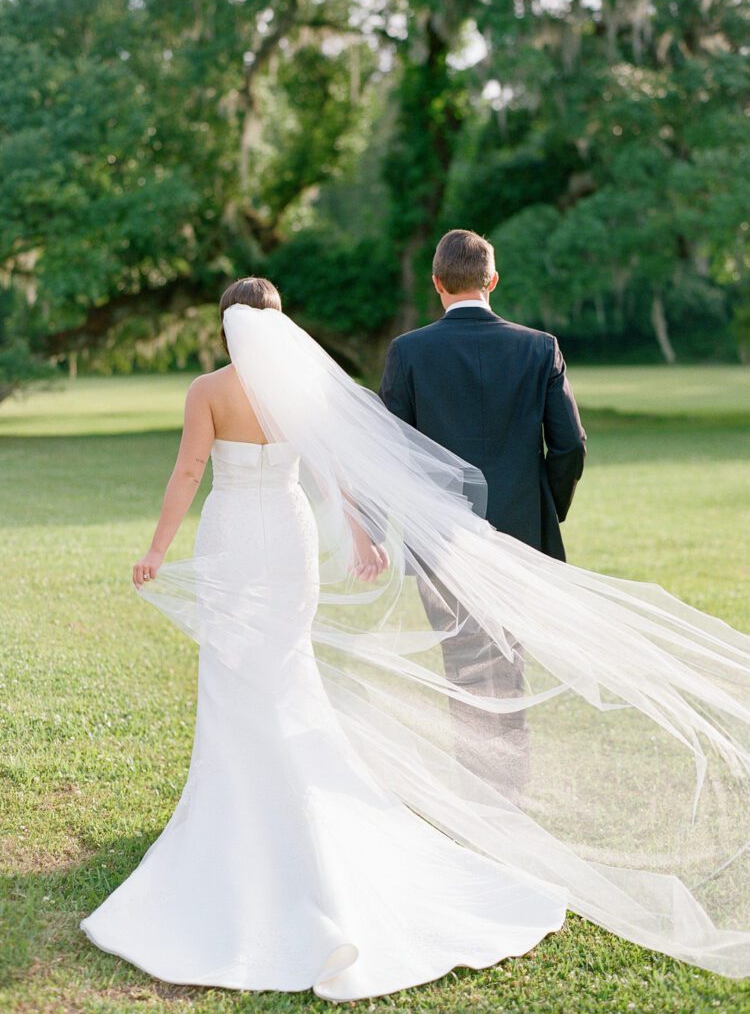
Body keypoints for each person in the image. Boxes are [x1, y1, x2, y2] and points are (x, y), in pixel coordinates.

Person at [79, 275, 750, 1000]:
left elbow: (188, 470)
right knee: (284, 667)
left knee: (241, 672)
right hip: (290, 542)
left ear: (225, 327)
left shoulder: (207, 391)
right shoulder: (301, 391)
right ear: (280, 325)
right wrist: (363, 538)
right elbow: (335, 472)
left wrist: (156, 548)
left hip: (238, 536)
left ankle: (243, 825)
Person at [379, 229, 587, 796]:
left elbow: (385, 453)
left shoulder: (409, 352)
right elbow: (569, 446)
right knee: (508, 660)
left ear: (437, 284)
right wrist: (547, 509)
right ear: (492, 280)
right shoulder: (539, 347)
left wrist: (382, 530)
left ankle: (478, 792)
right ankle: (510, 789)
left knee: (463, 662)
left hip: (438, 539)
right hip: (519, 535)